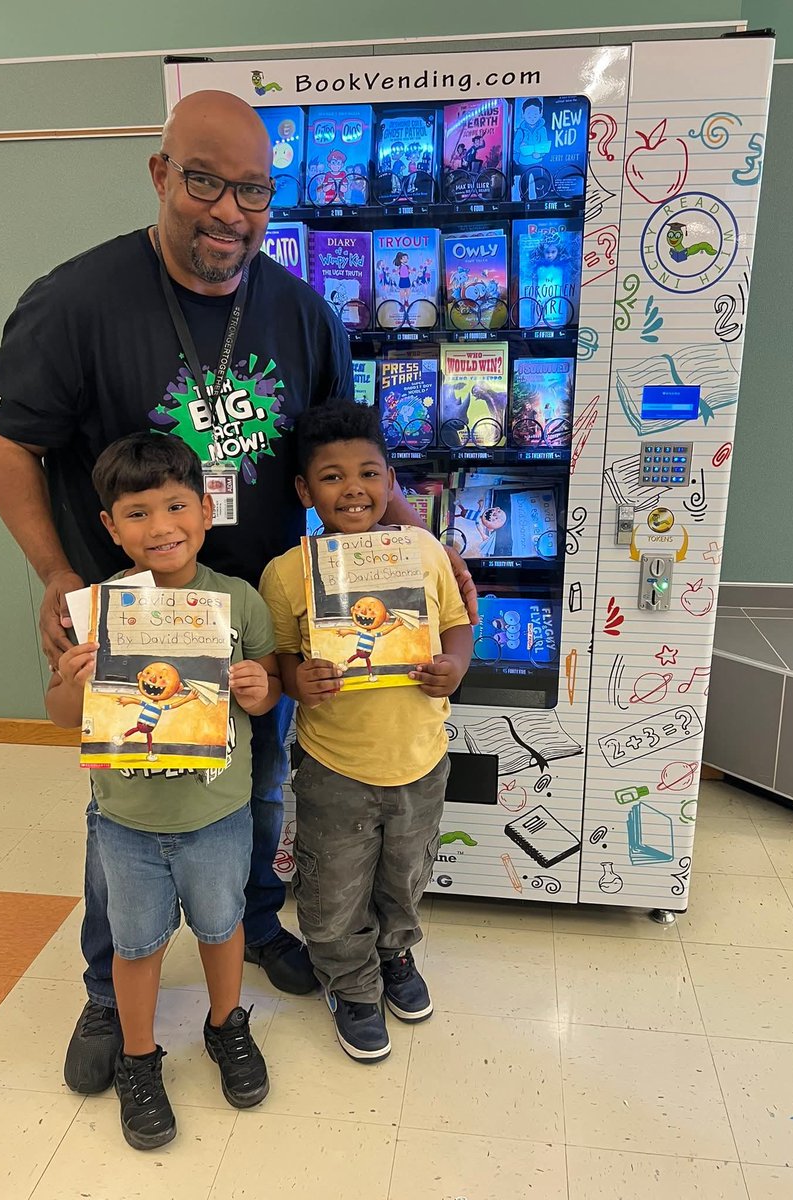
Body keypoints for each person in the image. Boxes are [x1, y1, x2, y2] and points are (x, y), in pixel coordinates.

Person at [0, 89, 477, 1094]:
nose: (228, 212)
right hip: (139, 622)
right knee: (126, 806)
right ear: (161, 174)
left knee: (256, 788)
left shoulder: (302, 312)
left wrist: (419, 538)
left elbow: (345, 452)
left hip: (267, 617)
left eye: (252, 191)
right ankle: (104, 988)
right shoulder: (75, 302)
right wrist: (58, 573)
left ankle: (246, 922)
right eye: (204, 182)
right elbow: (5, 443)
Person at [47, 432, 280, 1149]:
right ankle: (138, 1057)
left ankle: (226, 1025)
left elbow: (269, 690)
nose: (160, 526)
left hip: (218, 813)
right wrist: (75, 683)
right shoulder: (98, 609)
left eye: (176, 506)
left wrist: (259, 687)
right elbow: (58, 713)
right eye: (137, 513)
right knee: (136, 943)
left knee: (222, 925)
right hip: (127, 820)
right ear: (110, 527)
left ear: (207, 510)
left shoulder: (238, 600)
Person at [259, 401, 473, 1062]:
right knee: (332, 887)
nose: (353, 489)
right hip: (334, 766)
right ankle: (350, 983)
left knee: (406, 874)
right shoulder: (287, 572)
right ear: (304, 490)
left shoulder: (423, 551)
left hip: (421, 760)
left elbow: (457, 625)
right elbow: (282, 658)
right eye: (332, 477)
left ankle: (395, 955)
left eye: (368, 473)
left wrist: (455, 667)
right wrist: (299, 681)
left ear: (390, 481)